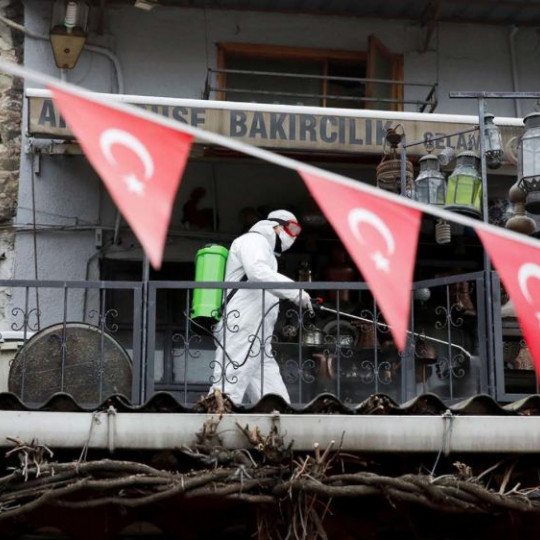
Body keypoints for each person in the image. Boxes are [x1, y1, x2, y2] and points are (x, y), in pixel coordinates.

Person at [210, 209, 311, 404]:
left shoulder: (266, 252)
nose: (294, 237)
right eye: (292, 229)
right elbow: (257, 272)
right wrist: (295, 292)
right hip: (241, 325)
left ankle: (277, 418)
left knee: (275, 400)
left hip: (258, 335)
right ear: (276, 226)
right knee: (227, 388)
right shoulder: (254, 240)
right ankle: (214, 419)